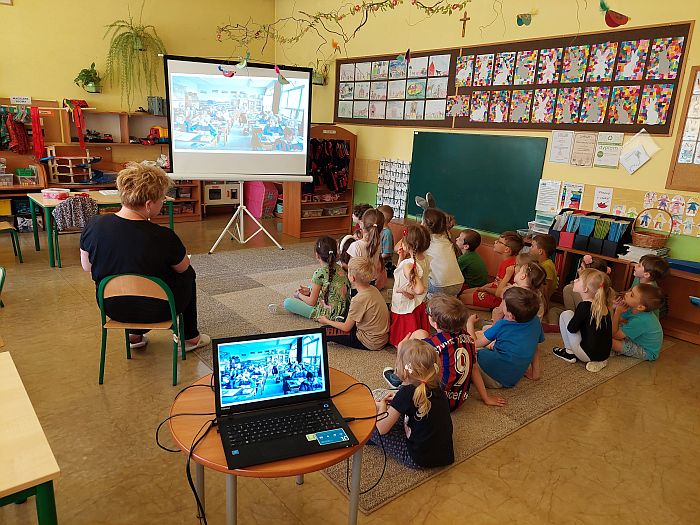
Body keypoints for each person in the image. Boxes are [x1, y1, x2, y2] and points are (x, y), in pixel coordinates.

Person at [79, 161, 210, 352]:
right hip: (159, 309)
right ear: (148, 204)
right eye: (162, 199)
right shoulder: (163, 236)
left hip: (112, 307)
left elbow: (87, 266)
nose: (163, 203)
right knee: (188, 274)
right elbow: (183, 267)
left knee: (123, 271)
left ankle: (134, 336)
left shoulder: (94, 225)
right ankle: (190, 337)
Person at [384, 294, 506, 409]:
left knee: (416, 342)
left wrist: (401, 350)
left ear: (435, 324)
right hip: (459, 399)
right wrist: (486, 397)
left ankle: (399, 378)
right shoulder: (468, 338)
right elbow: (474, 368)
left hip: (434, 403)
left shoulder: (432, 345)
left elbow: (413, 358)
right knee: (422, 335)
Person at [370, 339, 454, 469]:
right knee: (398, 417)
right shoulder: (436, 386)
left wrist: (382, 407)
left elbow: (381, 429)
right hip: (444, 455)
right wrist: (398, 401)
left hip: (418, 458)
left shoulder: (406, 393)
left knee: (371, 428)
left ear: (404, 369)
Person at [467, 287, 544, 388]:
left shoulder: (502, 325)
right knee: (485, 337)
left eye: (503, 303)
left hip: (491, 376)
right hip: (512, 377)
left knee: (464, 347)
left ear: (510, 315)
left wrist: (469, 323)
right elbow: (535, 346)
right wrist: (535, 373)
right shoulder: (536, 321)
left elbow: (473, 344)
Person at [272, 236, 350, 321]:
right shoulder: (340, 268)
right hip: (343, 309)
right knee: (311, 286)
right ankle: (307, 296)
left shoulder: (319, 273)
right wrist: (310, 291)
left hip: (328, 314)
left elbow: (312, 302)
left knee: (288, 302)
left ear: (317, 255)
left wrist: (299, 295)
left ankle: (288, 309)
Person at [319, 257, 389, 351]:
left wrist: (326, 320)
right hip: (381, 338)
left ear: (352, 278)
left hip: (370, 341)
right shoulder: (373, 289)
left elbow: (346, 327)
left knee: (324, 330)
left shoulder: (358, 300)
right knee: (345, 317)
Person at [552, 269, 615, 372]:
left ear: (585, 289)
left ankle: (569, 353)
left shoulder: (584, 306)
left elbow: (571, 329)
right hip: (604, 354)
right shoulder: (604, 306)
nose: (575, 280)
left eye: (579, 279)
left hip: (586, 355)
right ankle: (599, 361)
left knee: (566, 314)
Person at [389, 225, 431, 347]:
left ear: (408, 245)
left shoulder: (409, 265)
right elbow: (401, 274)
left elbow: (419, 289)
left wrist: (403, 290)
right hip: (417, 303)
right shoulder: (424, 258)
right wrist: (401, 258)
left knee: (404, 339)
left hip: (406, 305)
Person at [459, 231, 523, 310]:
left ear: (507, 249)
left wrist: (486, 289)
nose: (495, 242)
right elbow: (496, 282)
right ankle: (490, 307)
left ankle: (492, 308)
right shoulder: (508, 261)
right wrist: (484, 287)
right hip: (493, 290)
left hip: (497, 298)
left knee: (462, 299)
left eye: (499, 242)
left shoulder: (509, 265)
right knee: (464, 293)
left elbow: (499, 292)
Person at [611, 283, 664, 361]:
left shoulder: (641, 321)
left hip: (647, 351)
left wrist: (617, 312)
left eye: (632, 295)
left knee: (608, 340)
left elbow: (615, 335)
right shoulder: (633, 308)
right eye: (630, 291)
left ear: (640, 307)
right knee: (606, 330)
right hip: (634, 338)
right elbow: (618, 321)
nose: (627, 294)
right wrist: (614, 307)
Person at [422, 208, 464, 297]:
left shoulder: (425, 240)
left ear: (425, 224)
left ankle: (429, 300)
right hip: (458, 284)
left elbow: (397, 248)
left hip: (440, 287)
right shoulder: (447, 236)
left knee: (412, 273)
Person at [346, 208, 387, 289]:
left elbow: (351, 268)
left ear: (361, 224)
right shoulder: (377, 243)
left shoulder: (355, 246)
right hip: (372, 280)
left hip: (358, 284)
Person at [529, 234, 558, 305]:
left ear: (540, 251)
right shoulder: (540, 263)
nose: (530, 248)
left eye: (532, 246)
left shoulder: (547, 266)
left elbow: (545, 289)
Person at [377, 204, 395, 273]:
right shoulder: (379, 229)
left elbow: (387, 253)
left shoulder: (387, 233)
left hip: (384, 263)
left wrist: (375, 258)